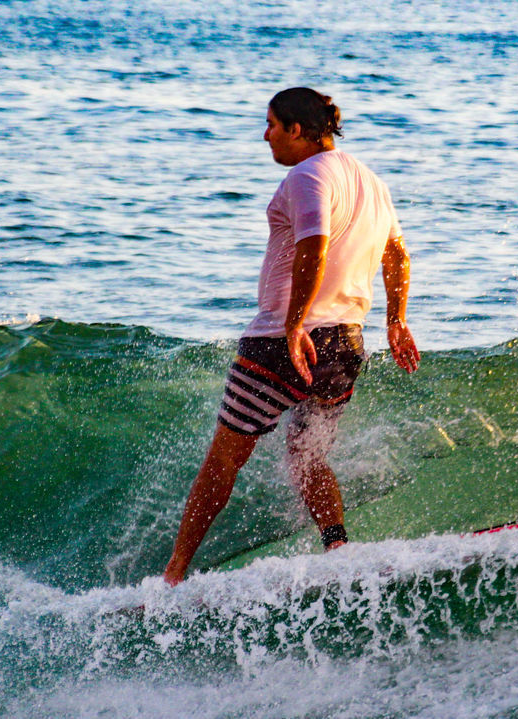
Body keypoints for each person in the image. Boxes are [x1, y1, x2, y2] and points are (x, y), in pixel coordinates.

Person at [162, 87, 419, 586]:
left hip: (282, 343)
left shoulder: (307, 175)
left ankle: (172, 576)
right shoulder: (372, 182)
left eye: (272, 125)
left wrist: (294, 322)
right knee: (306, 453)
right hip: (345, 344)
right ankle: (338, 549)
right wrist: (396, 320)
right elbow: (397, 256)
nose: (266, 135)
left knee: (225, 459)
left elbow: (314, 246)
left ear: (297, 131)